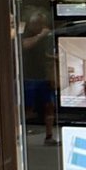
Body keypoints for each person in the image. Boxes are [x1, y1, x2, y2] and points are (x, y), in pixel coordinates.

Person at [20, 11, 58, 145]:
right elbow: (25, 45)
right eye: (38, 23)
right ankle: (19, 135)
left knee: (49, 106)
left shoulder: (46, 37)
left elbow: (45, 54)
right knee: (27, 108)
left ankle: (49, 136)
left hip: (44, 76)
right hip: (29, 76)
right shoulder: (26, 34)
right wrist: (40, 35)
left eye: (42, 24)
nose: (41, 26)